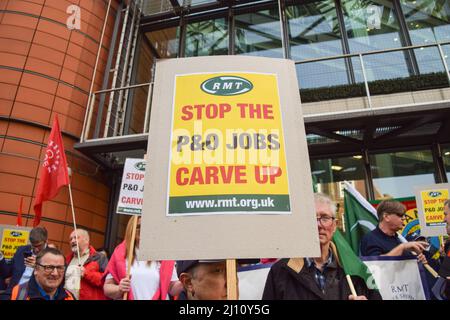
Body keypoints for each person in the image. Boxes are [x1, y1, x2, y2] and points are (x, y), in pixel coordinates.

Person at [262, 193, 380, 300]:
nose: (318, 225)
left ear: (334, 226)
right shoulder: (280, 272)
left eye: (325, 218)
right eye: (312, 218)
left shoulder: (356, 271)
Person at [103, 215, 182, 300]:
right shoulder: (120, 253)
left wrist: (184, 283)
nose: (142, 230)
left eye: (146, 226)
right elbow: (107, 287)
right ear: (131, 229)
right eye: (138, 227)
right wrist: (119, 289)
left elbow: (171, 287)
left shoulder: (162, 253)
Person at [360, 200, 428, 264]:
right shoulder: (371, 238)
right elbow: (377, 264)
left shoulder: (398, 240)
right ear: (386, 217)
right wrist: (402, 247)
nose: (404, 218)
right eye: (400, 215)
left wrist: (417, 259)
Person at [6, 247, 75, 300]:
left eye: (60, 268)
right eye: (49, 267)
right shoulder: (18, 294)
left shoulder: (69, 297)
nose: (55, 273)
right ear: (36, 269)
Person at [0, 226, 49, 293]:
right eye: (34, 246)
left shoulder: (52, 255)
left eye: (39, 245)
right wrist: (1, 257)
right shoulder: (21, 250)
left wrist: (37, 266)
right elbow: (7, 272)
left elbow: (51, 279)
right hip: (12, 292)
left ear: (46, 240)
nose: (36, 249)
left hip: (34, 294)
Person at [65, 228, 108, 300]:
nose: (72, 241)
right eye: (70, 239)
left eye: (76, 238)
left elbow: (106, 281)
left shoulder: (99, 257)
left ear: (86, 240)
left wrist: (86, 273)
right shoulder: (66, 259)